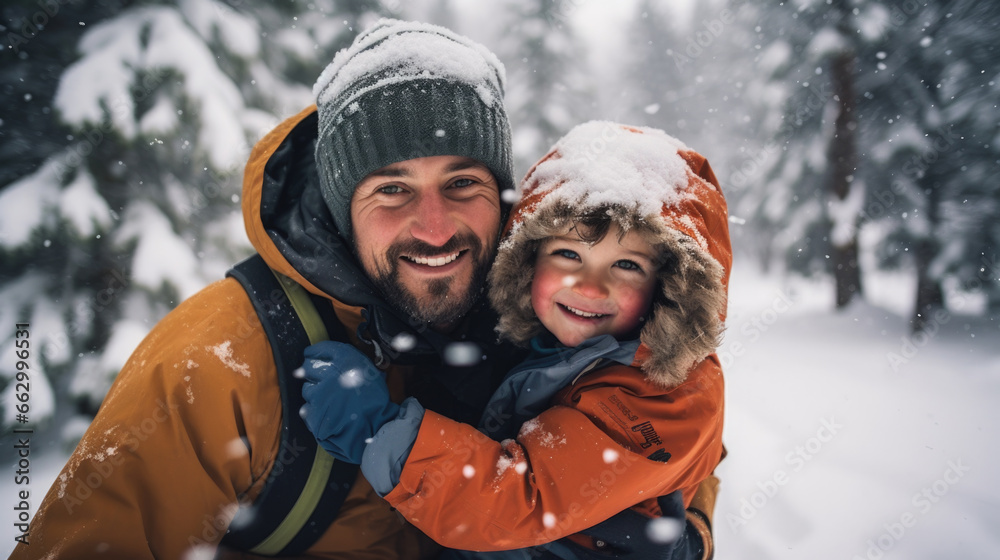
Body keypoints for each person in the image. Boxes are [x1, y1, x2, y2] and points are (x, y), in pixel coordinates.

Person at [10, 19, 523, 559]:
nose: (435, 227)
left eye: (462, 183)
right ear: (341, 206)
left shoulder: (562, 323)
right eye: (392, 189)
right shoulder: (221, 357)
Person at [299, 121, 730, 559]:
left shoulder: (664, 389)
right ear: (528, 259)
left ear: (670, 286)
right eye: (568, 254)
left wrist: (377, 431)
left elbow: (516, 498)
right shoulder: (555, 343)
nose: (589, 286)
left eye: (627, 265)